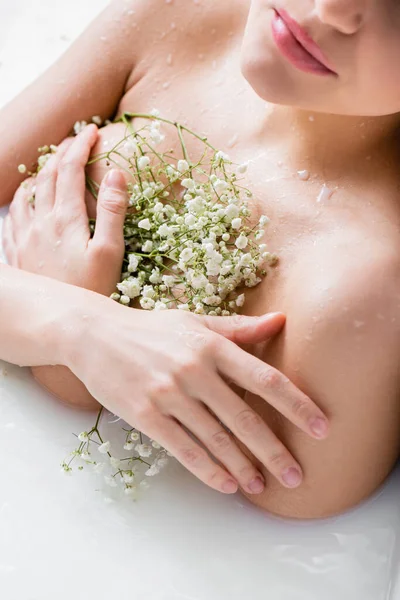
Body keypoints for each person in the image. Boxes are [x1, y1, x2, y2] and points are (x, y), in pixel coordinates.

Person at [1, 0, 399, 519]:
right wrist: (74, 327)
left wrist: (69, 369)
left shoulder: (358, 291)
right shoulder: (184, 16)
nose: (333, 8)